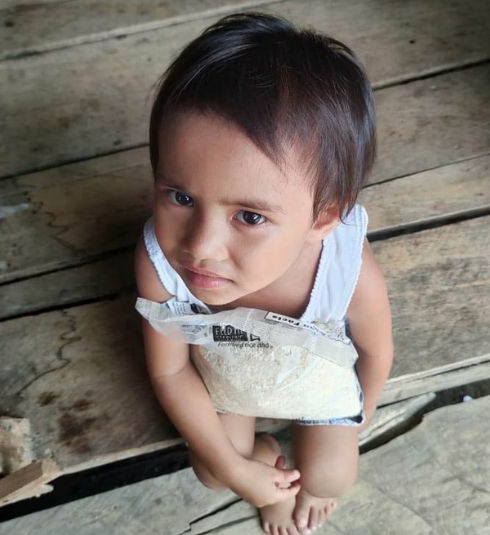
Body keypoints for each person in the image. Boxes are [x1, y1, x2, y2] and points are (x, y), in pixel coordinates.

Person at [133, 11, 393, 535]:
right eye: (180, 196)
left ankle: (298, 473)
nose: (200, 247)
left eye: (250, 217)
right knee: (211, 473)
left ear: (322, 218)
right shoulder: (160, 259)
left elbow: (376, 350)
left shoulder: (343, 269)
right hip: (228, 380)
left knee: (331, 477)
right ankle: (266, 455)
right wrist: (235, 467)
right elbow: (170, 370)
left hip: (317, 380)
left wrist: (353, 418)